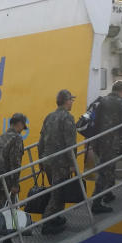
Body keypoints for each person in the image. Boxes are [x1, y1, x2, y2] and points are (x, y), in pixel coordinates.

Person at [37, 89, 78, 235]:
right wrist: (73, 162)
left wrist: (40, 160)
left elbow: (41, 141)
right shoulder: (67, 117)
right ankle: (47, 223)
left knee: (57, 190)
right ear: (67, 101)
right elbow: (70, 143)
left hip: (47, 160)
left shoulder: (49, 117)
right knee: (58, 194)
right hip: (60, 163)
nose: (72, 102)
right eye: (71, 100)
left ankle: (55, 218)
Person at [90, 81, 122, 212]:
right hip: (112, 142)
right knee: (104, 171)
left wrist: (93, 142)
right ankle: (96, 203)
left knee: (109, 167)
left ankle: (108, 193)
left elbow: (95, 123)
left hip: (99, 140)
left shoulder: (102, 100)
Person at [0, 113, 27, 243]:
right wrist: (15, 184)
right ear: (19, 123)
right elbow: (15, 162)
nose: (23, 129)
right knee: (8, 213)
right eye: (23, 126)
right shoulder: (16, 138)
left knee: (4, 212)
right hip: (8, 183)